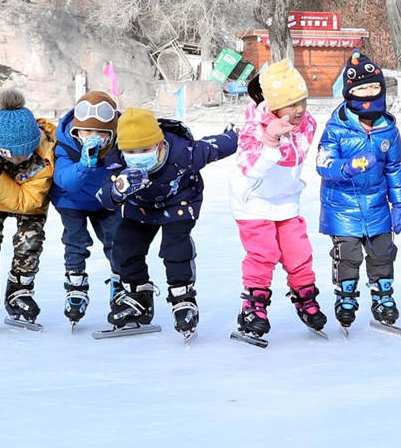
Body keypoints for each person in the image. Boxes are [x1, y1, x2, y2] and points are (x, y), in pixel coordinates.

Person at [96, 107, 238, 338]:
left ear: (160, 144)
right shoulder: (117, 162)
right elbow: (103, 199)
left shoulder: (185, 152)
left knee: (174, 248)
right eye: (131, 151)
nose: (137, 156)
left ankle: (183, 298)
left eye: (144, 150)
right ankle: (138, 295)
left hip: (180, 205)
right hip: (139, 208)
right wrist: (117, 190)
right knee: (124, 246)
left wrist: (236, 135)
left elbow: (216, 146)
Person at [229, 61, 327, 344]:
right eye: (291, 104)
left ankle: (306, 297)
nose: (299, 110)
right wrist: (270, 140)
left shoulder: (305, 123)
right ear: (272, 105)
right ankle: (253, 306)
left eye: (302, 101)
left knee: (299, 252)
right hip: (254, 201)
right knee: (263, 254)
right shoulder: (252, 127)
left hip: (286, 201)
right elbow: (251, 169)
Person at [316, 50, 401, 331]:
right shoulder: (336, 128)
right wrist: (347, 167)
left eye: (373, 87)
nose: (368, 93)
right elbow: (323, 163)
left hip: (378, 207)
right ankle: (346, 297)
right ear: (349, 92)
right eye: (361, 88)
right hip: (342, 208)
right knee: (349, 256)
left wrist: (400, 203)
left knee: (382, 254)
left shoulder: (388, 131)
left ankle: (383, 298)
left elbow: (394, 170)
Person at [0, 88, 57, 333]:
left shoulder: (45, 156)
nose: (16, 161)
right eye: (9, 155)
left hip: (29, 196)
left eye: (22, 155)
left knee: (30, 240)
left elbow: (26, 203)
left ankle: (20, 289)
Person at [50, 91, 121, 327]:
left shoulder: (119, 145)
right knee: (75, 241)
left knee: (117, 240)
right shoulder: (66, 145)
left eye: (101, 132)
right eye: (87, 131)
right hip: (71, 200)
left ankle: (120, 284)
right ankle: (76, 284)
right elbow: (65, 180)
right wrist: (84, 164)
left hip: (104, 199)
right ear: (76, 131)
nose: (94, 137)